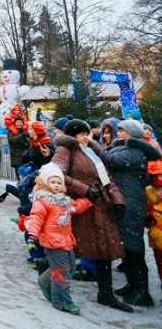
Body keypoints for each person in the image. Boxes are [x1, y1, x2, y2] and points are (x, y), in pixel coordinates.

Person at [52, 118, 132, 312]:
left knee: (104, 251)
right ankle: (55, 288)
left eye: (87, 133)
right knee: (67, 253)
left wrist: (118, 200)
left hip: (102, 206)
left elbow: (106, 178)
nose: (86, 137)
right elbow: (56, 176)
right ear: (73, 135)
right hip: (83, 208)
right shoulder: (65, 151)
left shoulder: (92, 152)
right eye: (81, 134)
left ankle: (106, 294)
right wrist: (84, 189)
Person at [102, 119, 161, 307]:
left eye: (121, 131)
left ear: (132, 133)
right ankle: (132, 284)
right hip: (125, 199)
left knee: (134, 247)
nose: (118, 133)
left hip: (132, 202)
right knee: (127, 246)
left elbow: (109, 159)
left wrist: (92, 145)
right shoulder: (125, 148)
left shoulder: (136, 151)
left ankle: (142, 292)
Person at [25, 162, 93, 315]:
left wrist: (90, 200)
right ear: (45, 183)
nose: (56, 185)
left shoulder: (64, 200)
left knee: (70, 268)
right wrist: (32, 237)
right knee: (62, 272)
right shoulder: (42, 201)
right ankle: (61, 301)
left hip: (66, 240)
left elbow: (76, 207)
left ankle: (44, 280)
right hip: (52, 242)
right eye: (52, 182)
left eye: (58, 182)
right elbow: (36, 219)